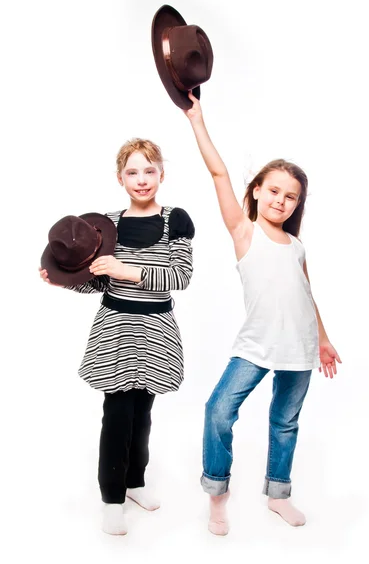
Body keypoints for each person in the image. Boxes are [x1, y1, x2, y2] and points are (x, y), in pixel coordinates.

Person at [184, 93, 341, 536]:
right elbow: (218, 172)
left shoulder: (297, 247)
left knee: (285, 421)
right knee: (218, 411)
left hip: (301, 347)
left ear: (297, 205)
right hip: (256, 344)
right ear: (256, 191)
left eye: (291, 197)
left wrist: (324, 340)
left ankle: (278, 494)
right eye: (274, 190)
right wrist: (197, 119)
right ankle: (218, 496)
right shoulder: (244, 230)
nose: (281, 201)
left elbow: (308, 296)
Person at [39, 138, 195, 535]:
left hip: (157, 328)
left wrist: (128, 270)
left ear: (162, 173)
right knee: (117, 413)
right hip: (116, 329)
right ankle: (111, 499)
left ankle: (134, 483)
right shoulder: (103, 224)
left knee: (143, 412)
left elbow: (180, 277)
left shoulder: (175, 219)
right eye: (132, 172)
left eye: (149, 171)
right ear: (119, 177)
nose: (141, 180)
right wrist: (65, 283)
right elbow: (97, 283)